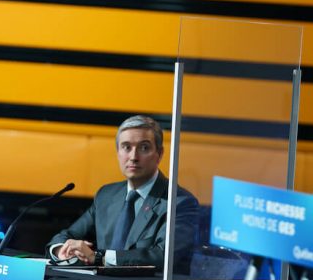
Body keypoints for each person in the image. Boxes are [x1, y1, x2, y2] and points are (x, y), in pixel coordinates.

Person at [47, 115, 199, 269]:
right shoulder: (106, 195)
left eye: (144, 148)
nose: (133, 157)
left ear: (159, 154)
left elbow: (163, 257)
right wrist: (62, 250)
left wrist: (99, 258)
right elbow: (68, 235)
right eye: (126, 147)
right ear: (118, 152)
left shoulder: (180, 202)